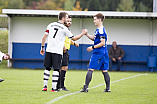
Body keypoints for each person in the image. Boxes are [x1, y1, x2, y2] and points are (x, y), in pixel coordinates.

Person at [40, 12, 87, 92]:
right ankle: (54, 88)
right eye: (67, 18)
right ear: (64, 18)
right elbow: (74, 38)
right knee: (56, 69)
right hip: (57, 51)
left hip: (49, 50)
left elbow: (44, 37)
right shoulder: (64, 28)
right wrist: (83, 33)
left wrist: (42, 47)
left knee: (47, 68)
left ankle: (45, 86)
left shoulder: (50, 25)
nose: (67, 20)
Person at [80, 13, 111, 92]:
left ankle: (85, 87)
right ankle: (108, 88)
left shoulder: (101, 30)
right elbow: (94, 38)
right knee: (104, 70)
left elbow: (102, 42)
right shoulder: (98, 29)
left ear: (99, 20)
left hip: (98, 52)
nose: (94, 21)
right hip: (104, 52)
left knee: (90, 69)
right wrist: (86, 34)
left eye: (95, 19)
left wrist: (92, 47)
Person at [57, 15, 79, 91]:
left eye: (70, 21)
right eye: (68, 21)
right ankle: (61, 86)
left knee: (61, 68)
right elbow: (60, 39)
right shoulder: (63, 29)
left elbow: (68, 40)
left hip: (65, 51)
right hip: (63, 51)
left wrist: (74, 43)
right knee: (63, 68)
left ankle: (59, 85)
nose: (69, 22)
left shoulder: (67, 29)